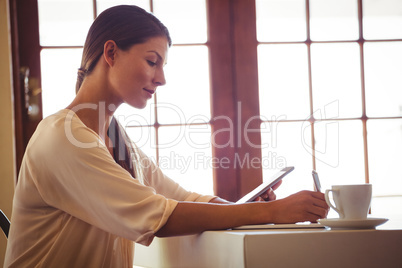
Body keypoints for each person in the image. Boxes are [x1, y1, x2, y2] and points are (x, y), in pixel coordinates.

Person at [4, 5, 329, 267]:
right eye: (152, 61)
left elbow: (181, 198)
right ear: (111, 53)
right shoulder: (63, 138)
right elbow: (159, 217)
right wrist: (270, 212)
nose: (161, 78)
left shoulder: (116, 140)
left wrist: (242, 206)